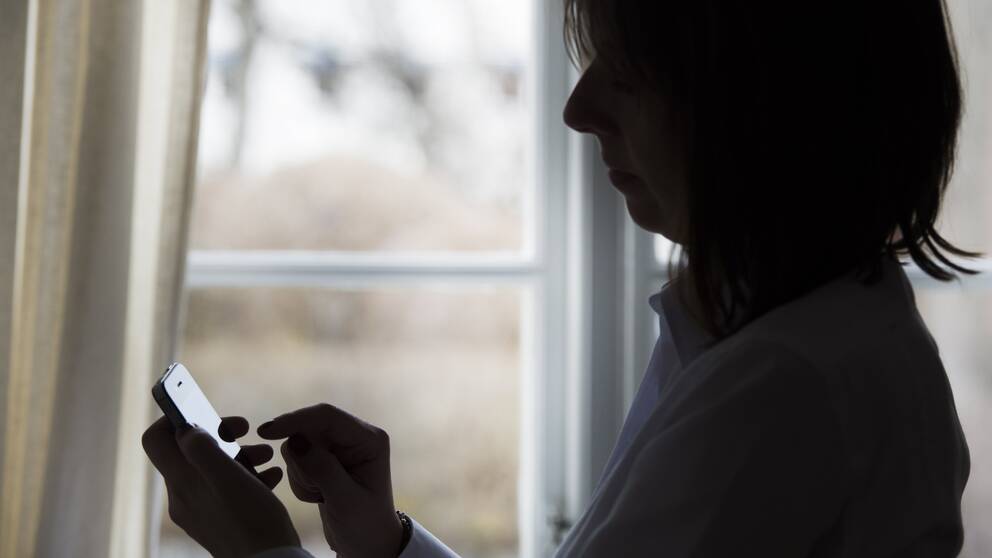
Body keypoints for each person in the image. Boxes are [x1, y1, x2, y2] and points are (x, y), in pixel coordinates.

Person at [142, 0, 981, 556]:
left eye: (627, 72)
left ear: (759, 105)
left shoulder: (783, 389)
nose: (579, 110)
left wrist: (262, 552)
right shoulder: (794, 333)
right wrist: (387, 546)